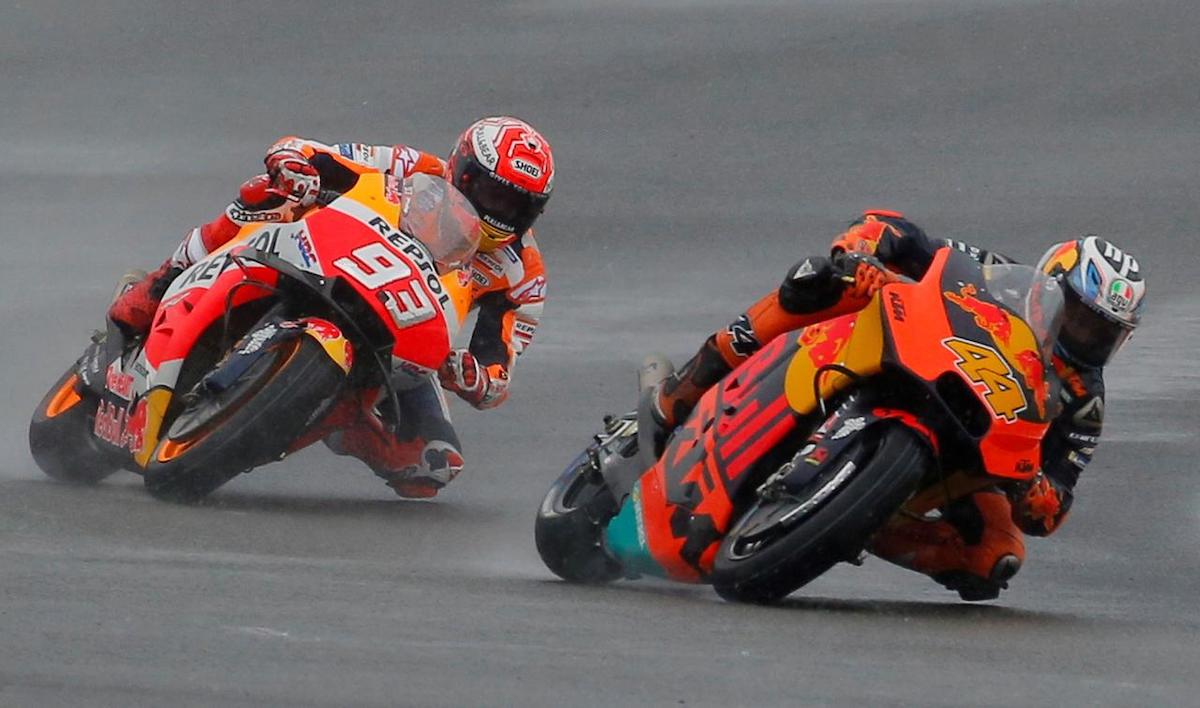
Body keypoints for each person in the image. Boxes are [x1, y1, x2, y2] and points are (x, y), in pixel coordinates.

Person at [651, 210, 1146, 600]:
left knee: (996, 557)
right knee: (818, 279)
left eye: (1104, 333)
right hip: (910, 357)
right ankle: (684, 389)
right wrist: (860, 254)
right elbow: (896, 231)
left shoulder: (1084, 400)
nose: (1087, 338)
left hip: (960, 453)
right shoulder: (996, 274)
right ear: (1051, 286)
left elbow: (1055, 504)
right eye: (1080, 319)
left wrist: (1033, 488)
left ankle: (856, 521)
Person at [108, 116, 555, 498]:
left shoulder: (523, 272)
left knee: (433, 464)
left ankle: (324, 415)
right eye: (493, 194)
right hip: (322, 257)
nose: (499, 211)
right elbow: (309, 150)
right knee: (264, 195)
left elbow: (500, 366)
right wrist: (294, 165)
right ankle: (159, 285)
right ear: (463, 171)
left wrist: (475, 377)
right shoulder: (411, 167)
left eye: (516, 206)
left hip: (402, 329)